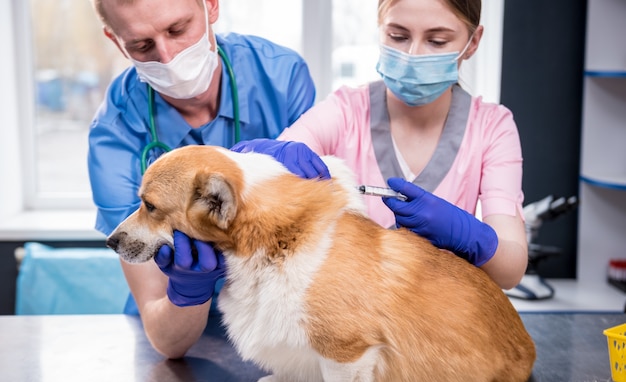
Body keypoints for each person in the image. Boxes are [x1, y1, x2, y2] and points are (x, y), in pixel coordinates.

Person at [232, 0, 528, 291]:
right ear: (380, 28)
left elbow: (510, 271)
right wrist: (267, 157)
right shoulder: (346, 110)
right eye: (397, 36)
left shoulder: (492, 128)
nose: (412, 55)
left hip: (441, 322)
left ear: (473, 42)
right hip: (351, 324)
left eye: (437, 41)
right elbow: (256, 173)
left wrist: (470, 236)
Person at [87, 0, 316, 358]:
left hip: (279, 321)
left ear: (211, 5)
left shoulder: (280, 76)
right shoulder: (116, 134)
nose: (167, 56)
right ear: (116, 41)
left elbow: (313, 238)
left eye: (178, 29)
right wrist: (187, 289)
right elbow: (166, 340)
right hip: (180, 338)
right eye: (141, 45)